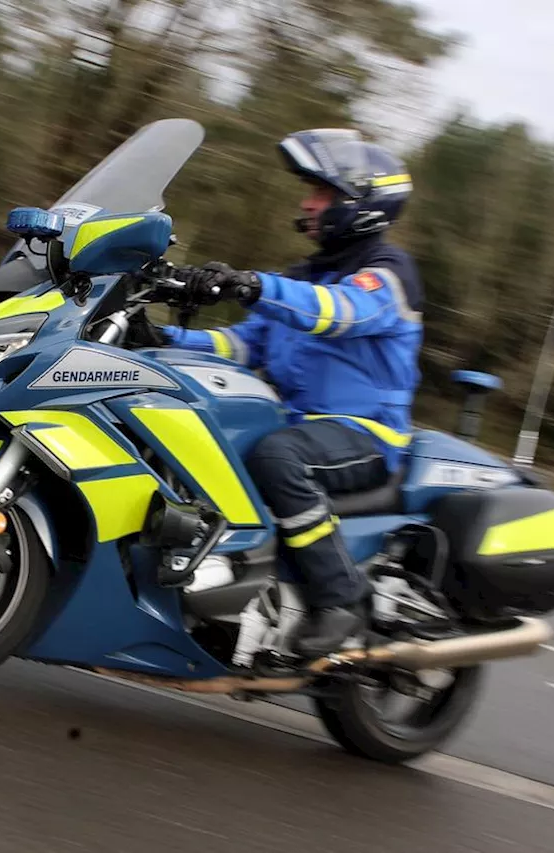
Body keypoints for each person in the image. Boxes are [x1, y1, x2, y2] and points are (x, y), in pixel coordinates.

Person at [160, 128, 425, 659]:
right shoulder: (306, 277)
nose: (307, 203)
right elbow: (239, 345)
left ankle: (339, 599)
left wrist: (251, 285)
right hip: (303, 423)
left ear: (359, 204)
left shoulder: (386, 277)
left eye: (320, 193)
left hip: (364, 435)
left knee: (278, 456)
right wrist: (162, 338)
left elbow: (337, 313)